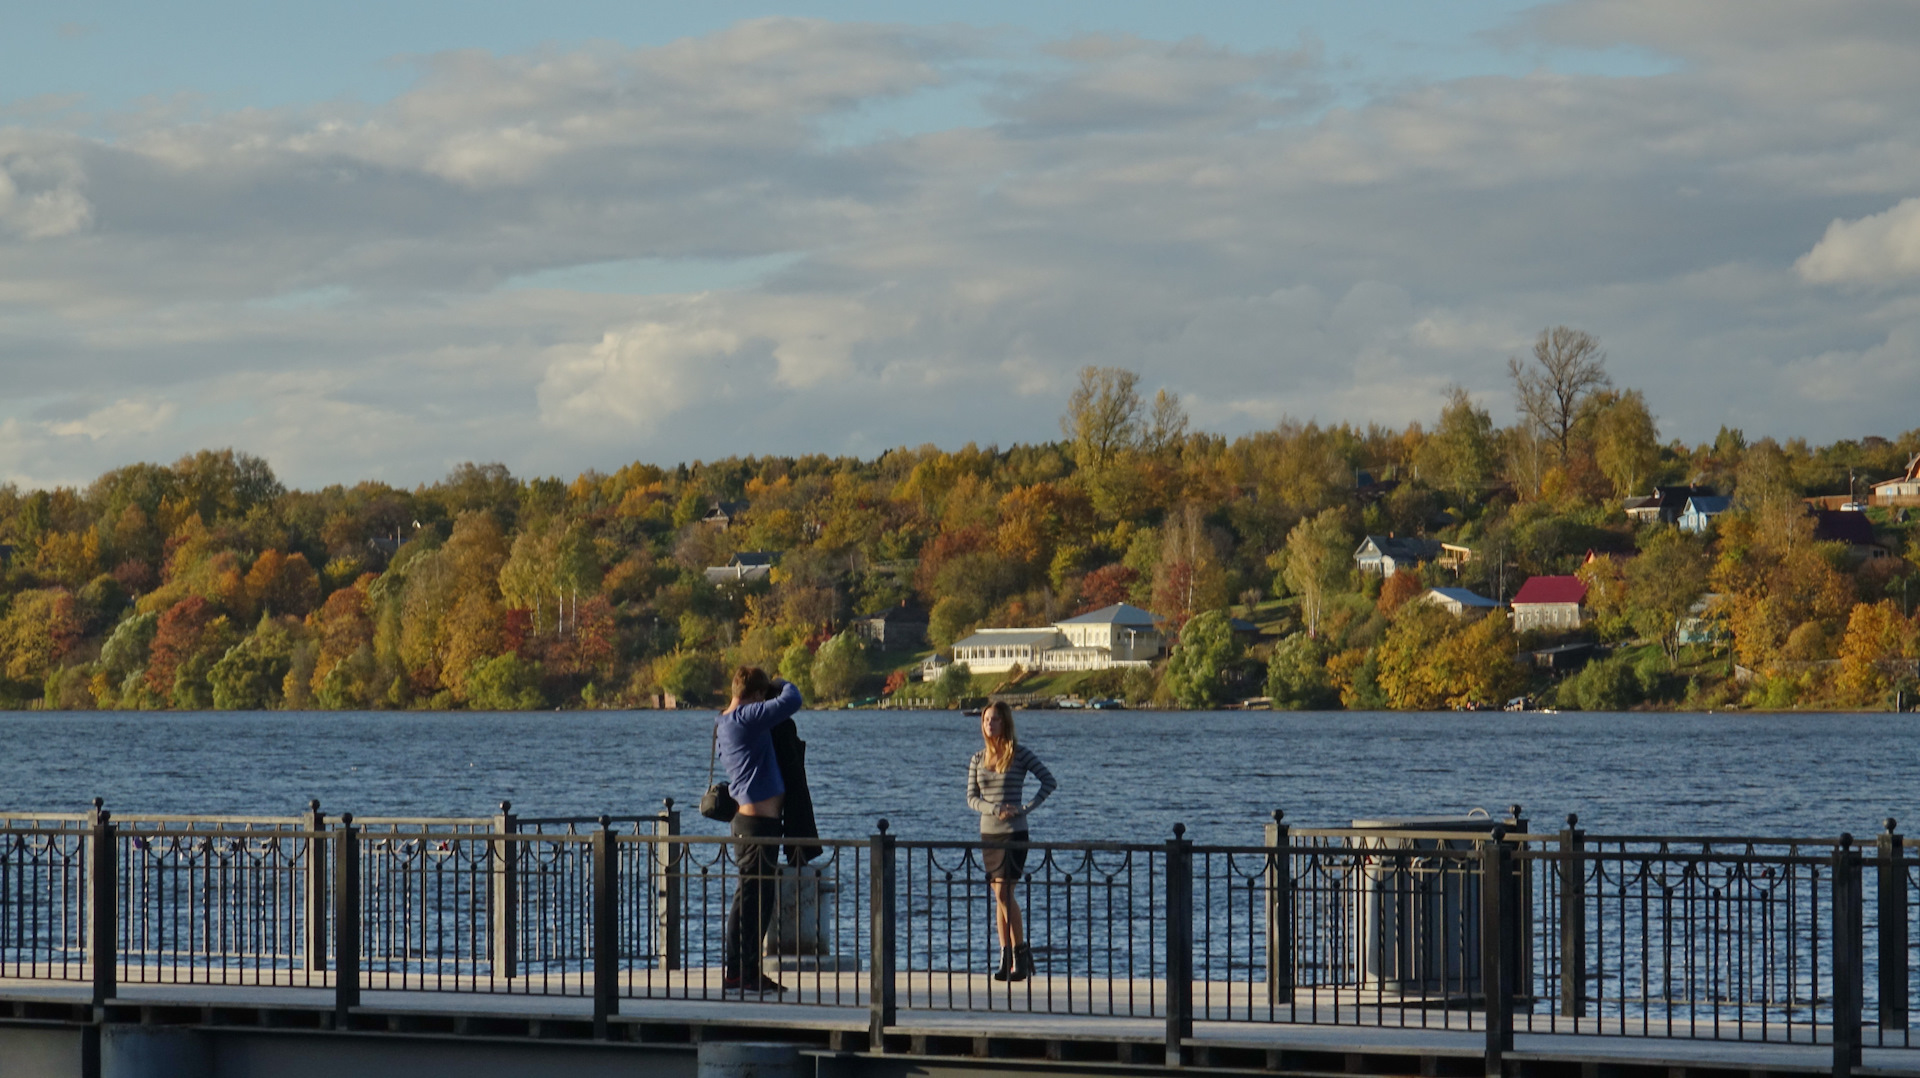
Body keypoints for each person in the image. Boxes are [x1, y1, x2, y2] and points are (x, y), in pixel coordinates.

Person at [715, 666, 803, 995]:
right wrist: (779, 683)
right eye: (762, 695)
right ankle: (741, 973)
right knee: (752, 900)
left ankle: (742, 971)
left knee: (753, 898)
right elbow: (793, 699)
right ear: (754, 696)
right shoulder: (747, 717)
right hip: (756, 825)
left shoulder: (725, 720)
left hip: (752, 822)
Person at [966, 701, 1056, 982]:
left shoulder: (1019, 754)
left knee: (1005, 894)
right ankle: (1006, 957)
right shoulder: (977, 759)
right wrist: (994, 809)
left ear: (1005, 722)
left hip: (1014, 833)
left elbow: (1048, 782)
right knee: (999, 896)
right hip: (988, 834)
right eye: (985, 720)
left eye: (994, 720)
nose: (989, 725)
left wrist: (1025, 808)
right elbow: (971, 798)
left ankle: (1021, 954)